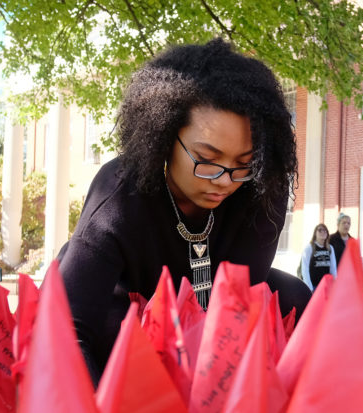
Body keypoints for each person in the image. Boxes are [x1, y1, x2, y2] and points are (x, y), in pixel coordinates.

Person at [55, 39, 311, 383]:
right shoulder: (117, 192)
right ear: (163, 133)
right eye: (207, 160)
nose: (225, 181)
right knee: (98, 317)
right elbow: (71, 327)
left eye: (243, 164)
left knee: (297, 299)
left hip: (217, 315)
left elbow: (235, 308)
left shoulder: (261, 191)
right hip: (129, 307)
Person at [300, 223, 337, 291]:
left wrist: (335, 285)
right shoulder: (310, 247)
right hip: (313, 286)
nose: (323, 232)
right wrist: (309, 287)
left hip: (326, 286)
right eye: (320, 230)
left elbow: (333, 269)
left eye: (325, 230)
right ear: (315, 233)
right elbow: (305, 269)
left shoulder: (330, 248)